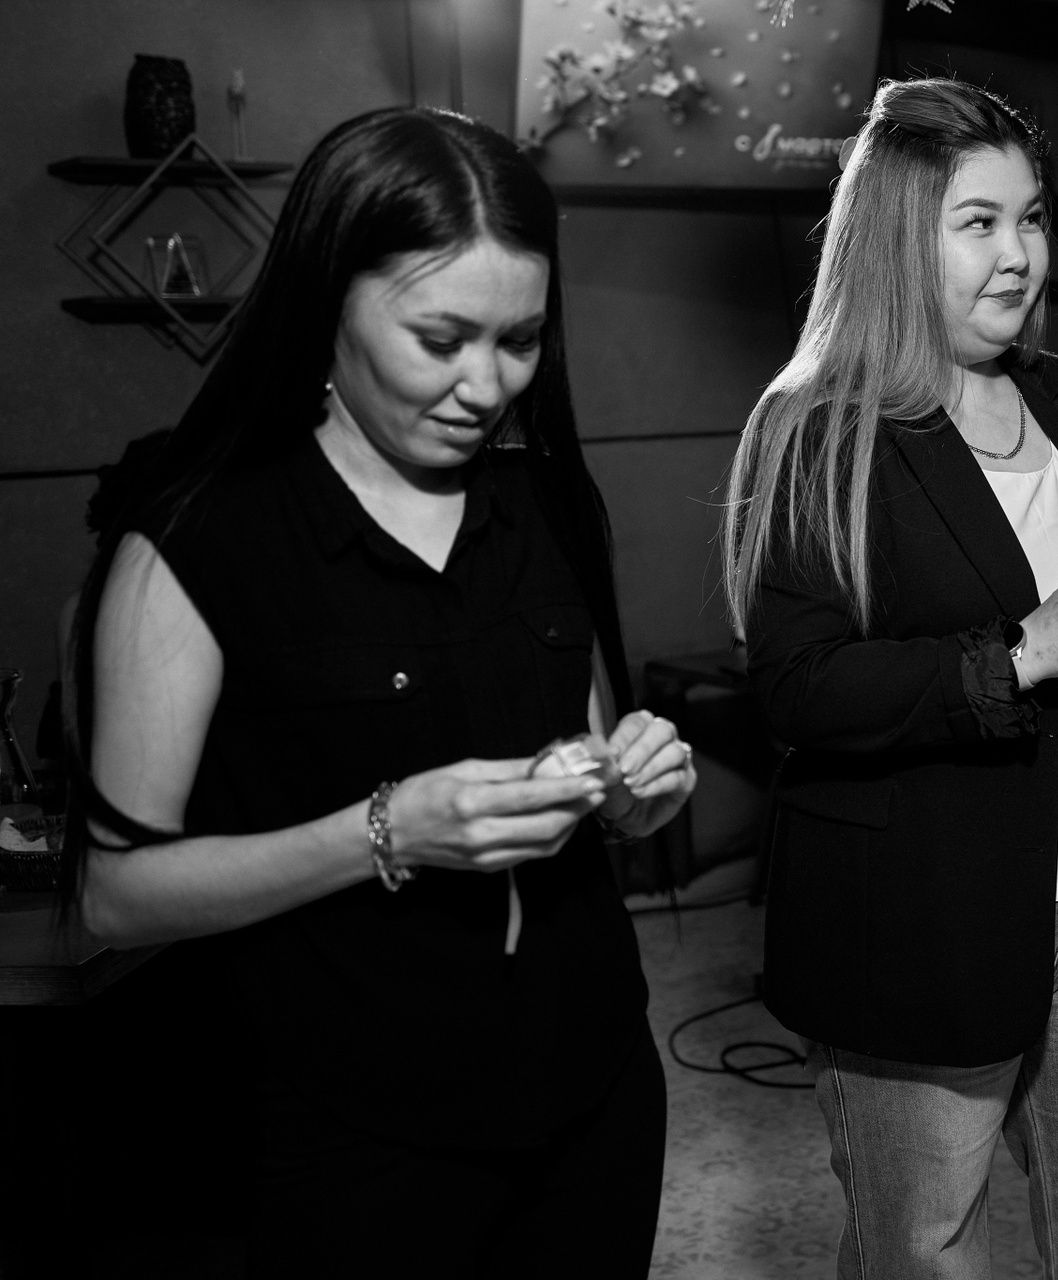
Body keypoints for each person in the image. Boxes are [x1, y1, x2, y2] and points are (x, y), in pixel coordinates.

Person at [62, 106, 694, 1274]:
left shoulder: (541, 502)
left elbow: (588, 766)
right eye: (439, 338)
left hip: (594, 1091)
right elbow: (115, 896)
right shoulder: (201, 545)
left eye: (519, 340)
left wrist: (632, 790)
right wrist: (387, 829)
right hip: (359, 1126)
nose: (484, 385)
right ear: (328, 302)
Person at [723, 78, 1058, 1279]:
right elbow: (797, 686)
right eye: (980, 223)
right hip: (923, 923)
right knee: (927, 1253)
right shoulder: (819, 425)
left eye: (1033, 217)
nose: (1020, 254)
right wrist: (1018, 656)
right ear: (899, 240)